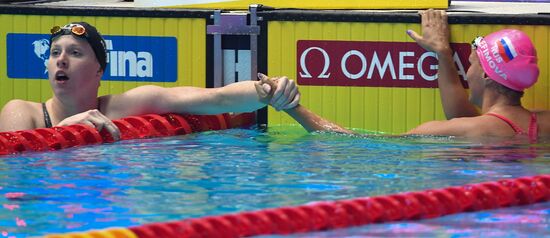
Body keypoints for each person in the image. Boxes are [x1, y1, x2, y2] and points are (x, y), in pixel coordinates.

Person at [258, 9, 549, 139]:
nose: (468, 71)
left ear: (487, 75)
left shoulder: (455, 132)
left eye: (471, 64)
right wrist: (443, 54)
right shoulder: (541, 125)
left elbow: (352, 144)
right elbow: (472, 119)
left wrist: (292, 106)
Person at [0, 22, 300, 141]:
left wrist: (268, 90)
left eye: (74, 53)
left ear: (99, 71)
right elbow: (16, 175)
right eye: (54, 53)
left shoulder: (125, 105)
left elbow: (218, 99)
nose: (61, 60)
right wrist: (65, 131)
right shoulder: (22, 113)